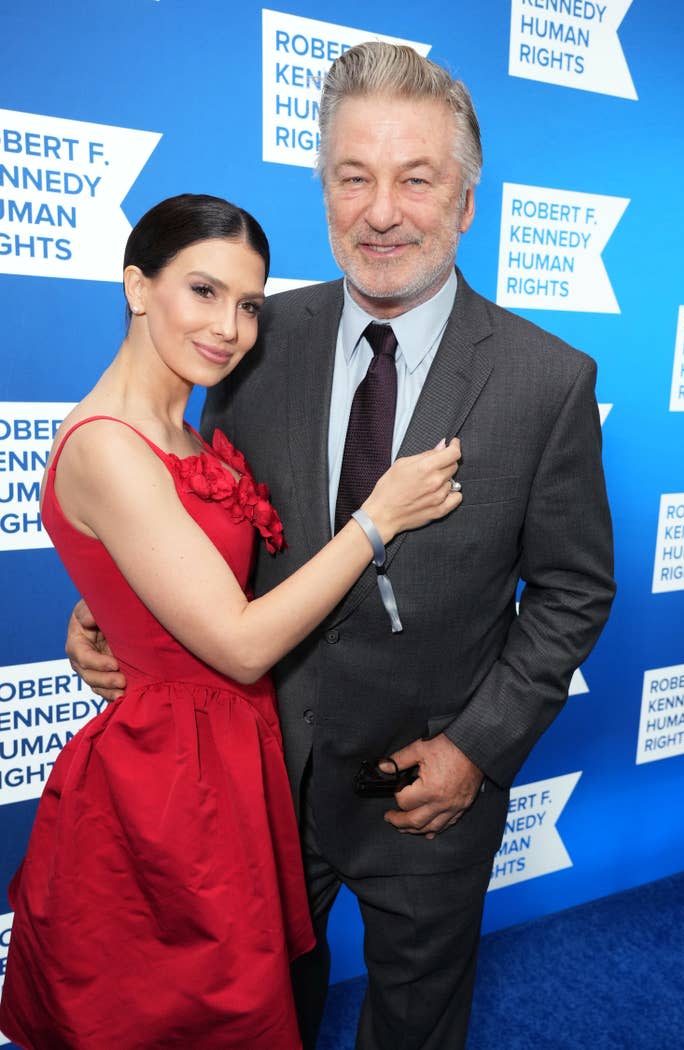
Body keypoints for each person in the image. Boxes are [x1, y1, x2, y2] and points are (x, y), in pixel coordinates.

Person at [66, 43, 616, 1050]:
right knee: (270, 1015)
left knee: (415, 1024)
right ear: (322, 185)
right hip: (258, 778)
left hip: (428, 792)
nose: (380, 210)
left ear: (465, 200)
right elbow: (199, 504)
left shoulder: (548, 381)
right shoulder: (249, 337)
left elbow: (575, 592)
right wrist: (112, 604)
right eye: (352, 176)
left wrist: (472, 753)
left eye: (416, 178)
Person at [0, 193, 462, 1050]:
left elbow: (170, 567)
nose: (231, 327)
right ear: (137, 286)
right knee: (180, 1015)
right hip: (169, 782)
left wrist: (105, 603)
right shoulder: (107, 444)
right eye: (203, 292)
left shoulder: (185, 426)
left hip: (232, 759)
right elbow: (242, 643)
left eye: (249, 304)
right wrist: (378, 518)